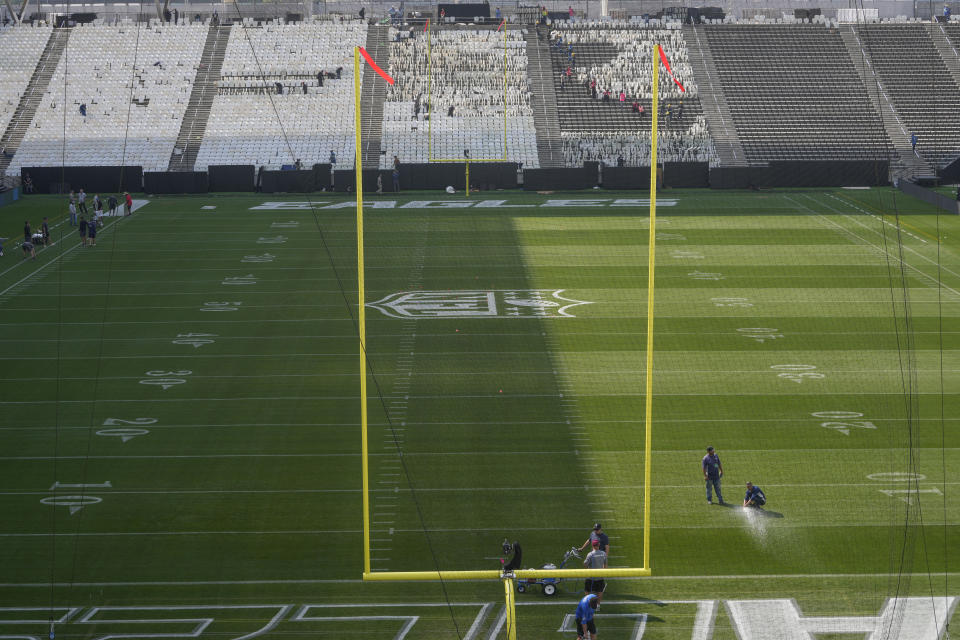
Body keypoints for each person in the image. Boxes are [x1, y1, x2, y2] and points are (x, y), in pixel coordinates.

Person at [583, 538, 607, 602]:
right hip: (600, 576)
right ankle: (598, 605)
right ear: (599, 545)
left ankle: (588, 604)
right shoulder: (603, 554)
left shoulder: (590, 554)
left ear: (592, 546)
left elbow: (585, 564)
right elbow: (605, 565)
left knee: (587, 591)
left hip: (590, 577)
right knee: (599, 591)